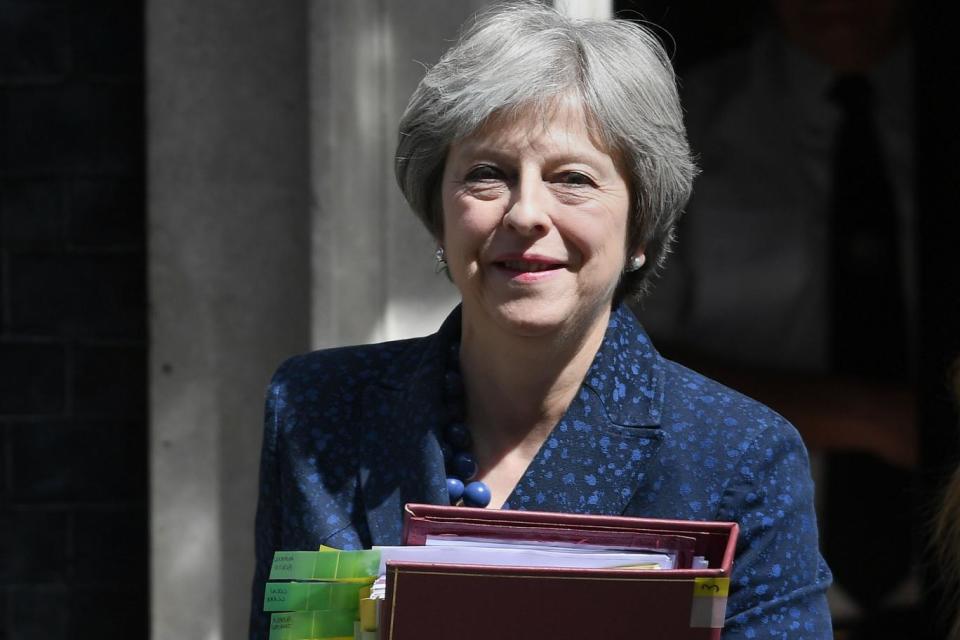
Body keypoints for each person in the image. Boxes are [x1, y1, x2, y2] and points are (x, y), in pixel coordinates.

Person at [249, 3, 832, 638]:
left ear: (640, 225)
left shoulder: (740, 454)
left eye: (573, 178)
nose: (527, 213)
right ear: (438, 212)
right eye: (487, 174)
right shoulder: (316, 411)